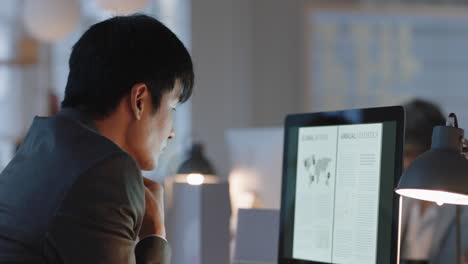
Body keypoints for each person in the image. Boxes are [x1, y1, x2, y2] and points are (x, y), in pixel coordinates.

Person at [0, 14, 193, 264]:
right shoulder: (108, 171)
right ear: (139, 101)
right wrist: (155, 235)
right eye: (173, 108)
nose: (172, 132)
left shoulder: (39, 150)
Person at [400, 99, 468, 264]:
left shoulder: (460, 199)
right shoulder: (397, 195)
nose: (407, 162)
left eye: (414, 154)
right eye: (404, 154)